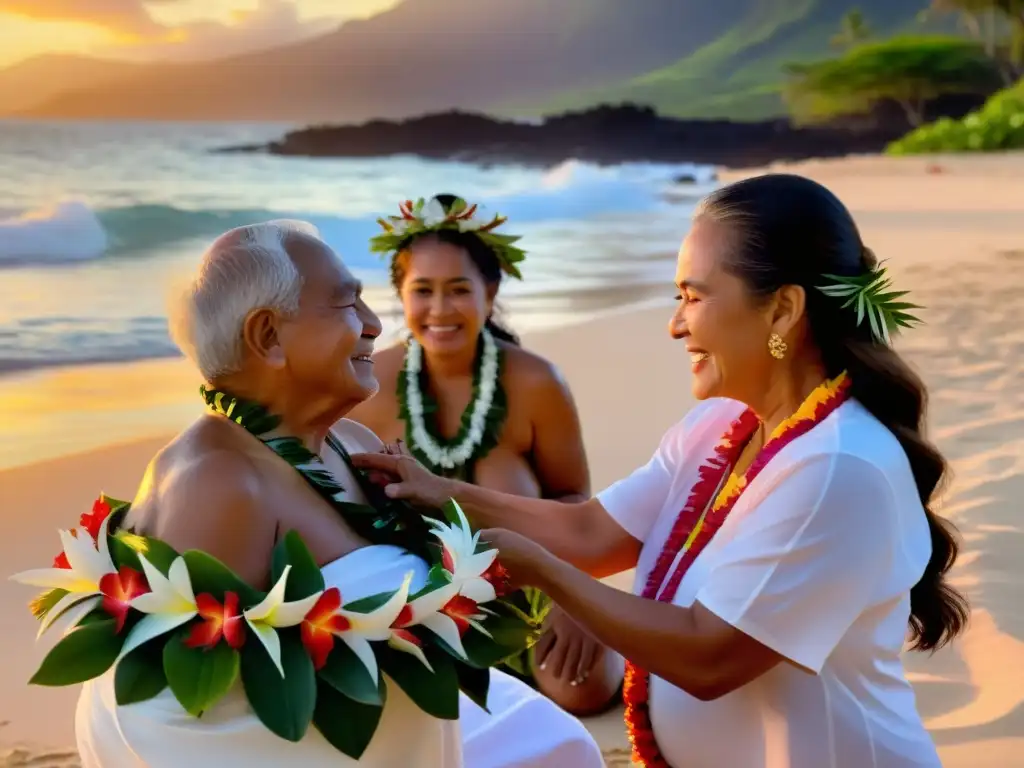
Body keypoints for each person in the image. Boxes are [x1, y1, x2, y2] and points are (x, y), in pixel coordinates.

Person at [352, 174, 971, 768]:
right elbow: (591, 534)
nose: (676, 323)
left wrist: (547, 575)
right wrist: (439, 492)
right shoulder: (719, 428)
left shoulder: (836, 467)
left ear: (782, 310)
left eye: (693, 297)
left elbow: (709, 657)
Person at [72, 221, 604, 768]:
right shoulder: (220, 483)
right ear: (268, 337)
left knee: (554, 743)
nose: (374, 324)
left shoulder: (352, 441)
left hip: (408, 727)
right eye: (348, 305)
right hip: (322, 749)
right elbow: (197, 712)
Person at [348, 193, 623, 716]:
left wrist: (572, 597)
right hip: (414, 602)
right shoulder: (368, 385)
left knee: (582, 689)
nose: (440, 310)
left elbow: (572, 498)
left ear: (490, 292)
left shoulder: (536, 382)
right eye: (422, 290)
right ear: (401, 296)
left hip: (530, 592)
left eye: (458, 290)